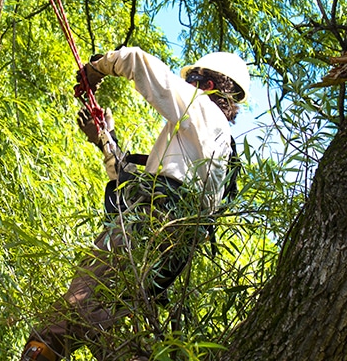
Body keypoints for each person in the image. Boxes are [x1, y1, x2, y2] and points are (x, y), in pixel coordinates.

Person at [21, 46, 250, 361]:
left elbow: (137, 61)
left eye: (195, 78)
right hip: (160, 232)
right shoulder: (204, 145)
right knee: (72, 316)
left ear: (210, 86)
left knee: (81, 306)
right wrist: (106, 139)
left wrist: (98, 68)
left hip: (149, 224)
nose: (191, 85)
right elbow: (137, 187)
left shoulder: (204, 112)